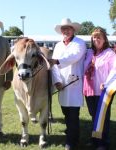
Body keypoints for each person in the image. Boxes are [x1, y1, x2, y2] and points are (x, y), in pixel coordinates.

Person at [49, 18, 86, 150]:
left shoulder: (79, 43)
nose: (65, 31)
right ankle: (74, 136)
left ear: (73, 30)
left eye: (68, 28)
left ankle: (70, 142)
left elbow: (74, 57)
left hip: (74, 82)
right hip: (62, 84)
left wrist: (57, 61)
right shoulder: (58, 45)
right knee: (66, 112)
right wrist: (57, 81)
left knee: (73, 114)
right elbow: (53, 67)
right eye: (63, 29)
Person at [83, 28, 116, 150]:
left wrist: (106, 82)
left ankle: (103, 143)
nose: (96, 39)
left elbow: (114, 70)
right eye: (94, 37)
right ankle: (95, 139)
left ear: (104, 39)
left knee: (103, 117)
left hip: (103, 90)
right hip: (90, 89)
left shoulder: (109, 53)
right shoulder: (90, 52)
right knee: (94, 116)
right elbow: (83, 67)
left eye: (99, 37)